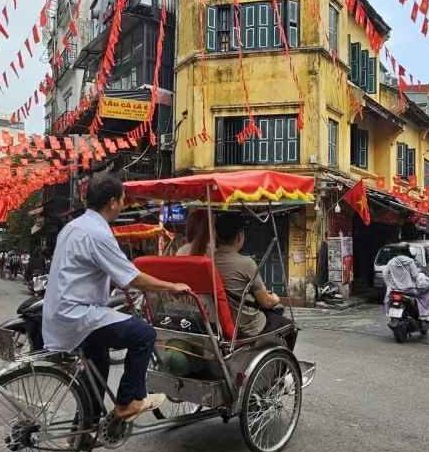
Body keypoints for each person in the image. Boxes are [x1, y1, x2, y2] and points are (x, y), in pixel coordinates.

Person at [42, 172, 191, 421]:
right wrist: (172, 286)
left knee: (98, 363)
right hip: (79, 315)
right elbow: (133, 278)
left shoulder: (73, 227)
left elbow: (93, 270)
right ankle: (128, 402)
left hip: (61, 313)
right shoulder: (98, 234)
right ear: (112, 202)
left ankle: (83, 432)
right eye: (122, 200)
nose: (123, 205)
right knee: (145, 334)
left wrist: (117, 279)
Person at [212, 212, 297, 349]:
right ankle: (282, 369)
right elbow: (266, 301)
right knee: (290, 326)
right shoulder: (246, 263)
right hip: (246, 326)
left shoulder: (209, 261)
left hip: (217, 324)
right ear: (240, 236)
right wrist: (275, 298)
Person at [384, 243, 429, 321]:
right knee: (427, 293)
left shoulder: (391, 261)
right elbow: (415, 275)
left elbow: (384, 274)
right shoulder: (410, 261)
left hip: (395, 290)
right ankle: (424, 314)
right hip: (409, 290)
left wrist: (389, 285)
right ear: (408, 251)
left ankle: (388, 312)